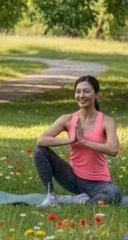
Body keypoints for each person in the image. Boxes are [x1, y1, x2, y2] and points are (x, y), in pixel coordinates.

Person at [33, 75, 122, 206]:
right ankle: (51, 196)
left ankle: (78, 201)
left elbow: (113, 149)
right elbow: (41, 140)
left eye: (86, 91)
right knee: (39, 150)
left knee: (115, 193)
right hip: (72, 178)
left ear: (96, 94)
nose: (81, 95)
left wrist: (84, 142)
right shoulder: (67, 119)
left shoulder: (107, 121)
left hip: (98, 183)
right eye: (78, 91)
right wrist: (70, 140)